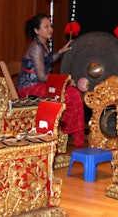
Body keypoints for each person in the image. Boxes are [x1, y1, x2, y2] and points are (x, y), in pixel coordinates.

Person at [16, 14, 85, 147]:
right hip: (29, 88)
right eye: (46, 27)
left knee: (73, 93)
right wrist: (64, 80)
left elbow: (47, 61)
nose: (50, 29)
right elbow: (42, 76)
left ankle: (69, 133)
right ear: (37, 31)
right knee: (70, 94)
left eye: (51, 26)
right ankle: (68, 133)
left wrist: (60, 51)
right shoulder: (36, 47)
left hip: (39, 84)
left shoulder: (42, 45)